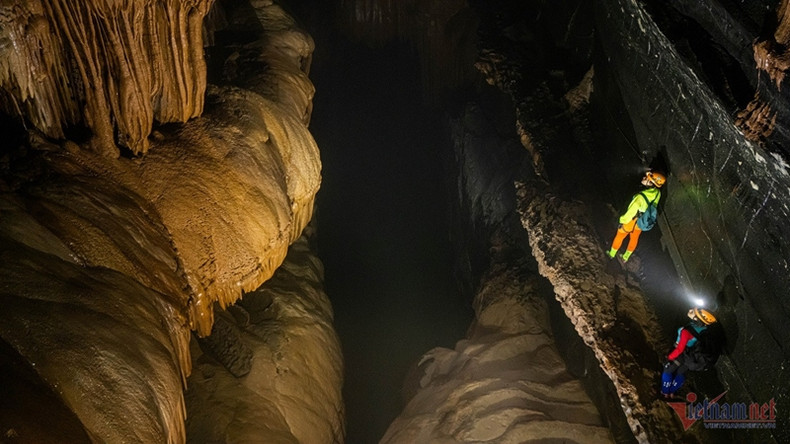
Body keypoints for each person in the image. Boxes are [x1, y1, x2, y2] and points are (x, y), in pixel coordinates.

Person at [607, 170, 666, 262]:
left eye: (647, 178)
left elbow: (630, 213)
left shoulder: (640, 197)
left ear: (651, 183)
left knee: (620, 236)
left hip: (631, 221)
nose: (644, 178)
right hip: (641, 221)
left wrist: (622, 220)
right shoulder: (657, 193)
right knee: (634, 238)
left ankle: (611, 254)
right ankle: (625, 257)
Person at [660, 307, 717, 399]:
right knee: (680, 373)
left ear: (696, 319)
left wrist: (669, 357)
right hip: (691, 356)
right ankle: (672, 392)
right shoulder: (704, 329)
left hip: (681, 354)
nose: (691, 311)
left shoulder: (686, 331)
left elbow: (680, 349)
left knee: (667, 371)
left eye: (693, 312)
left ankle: (665, 392)